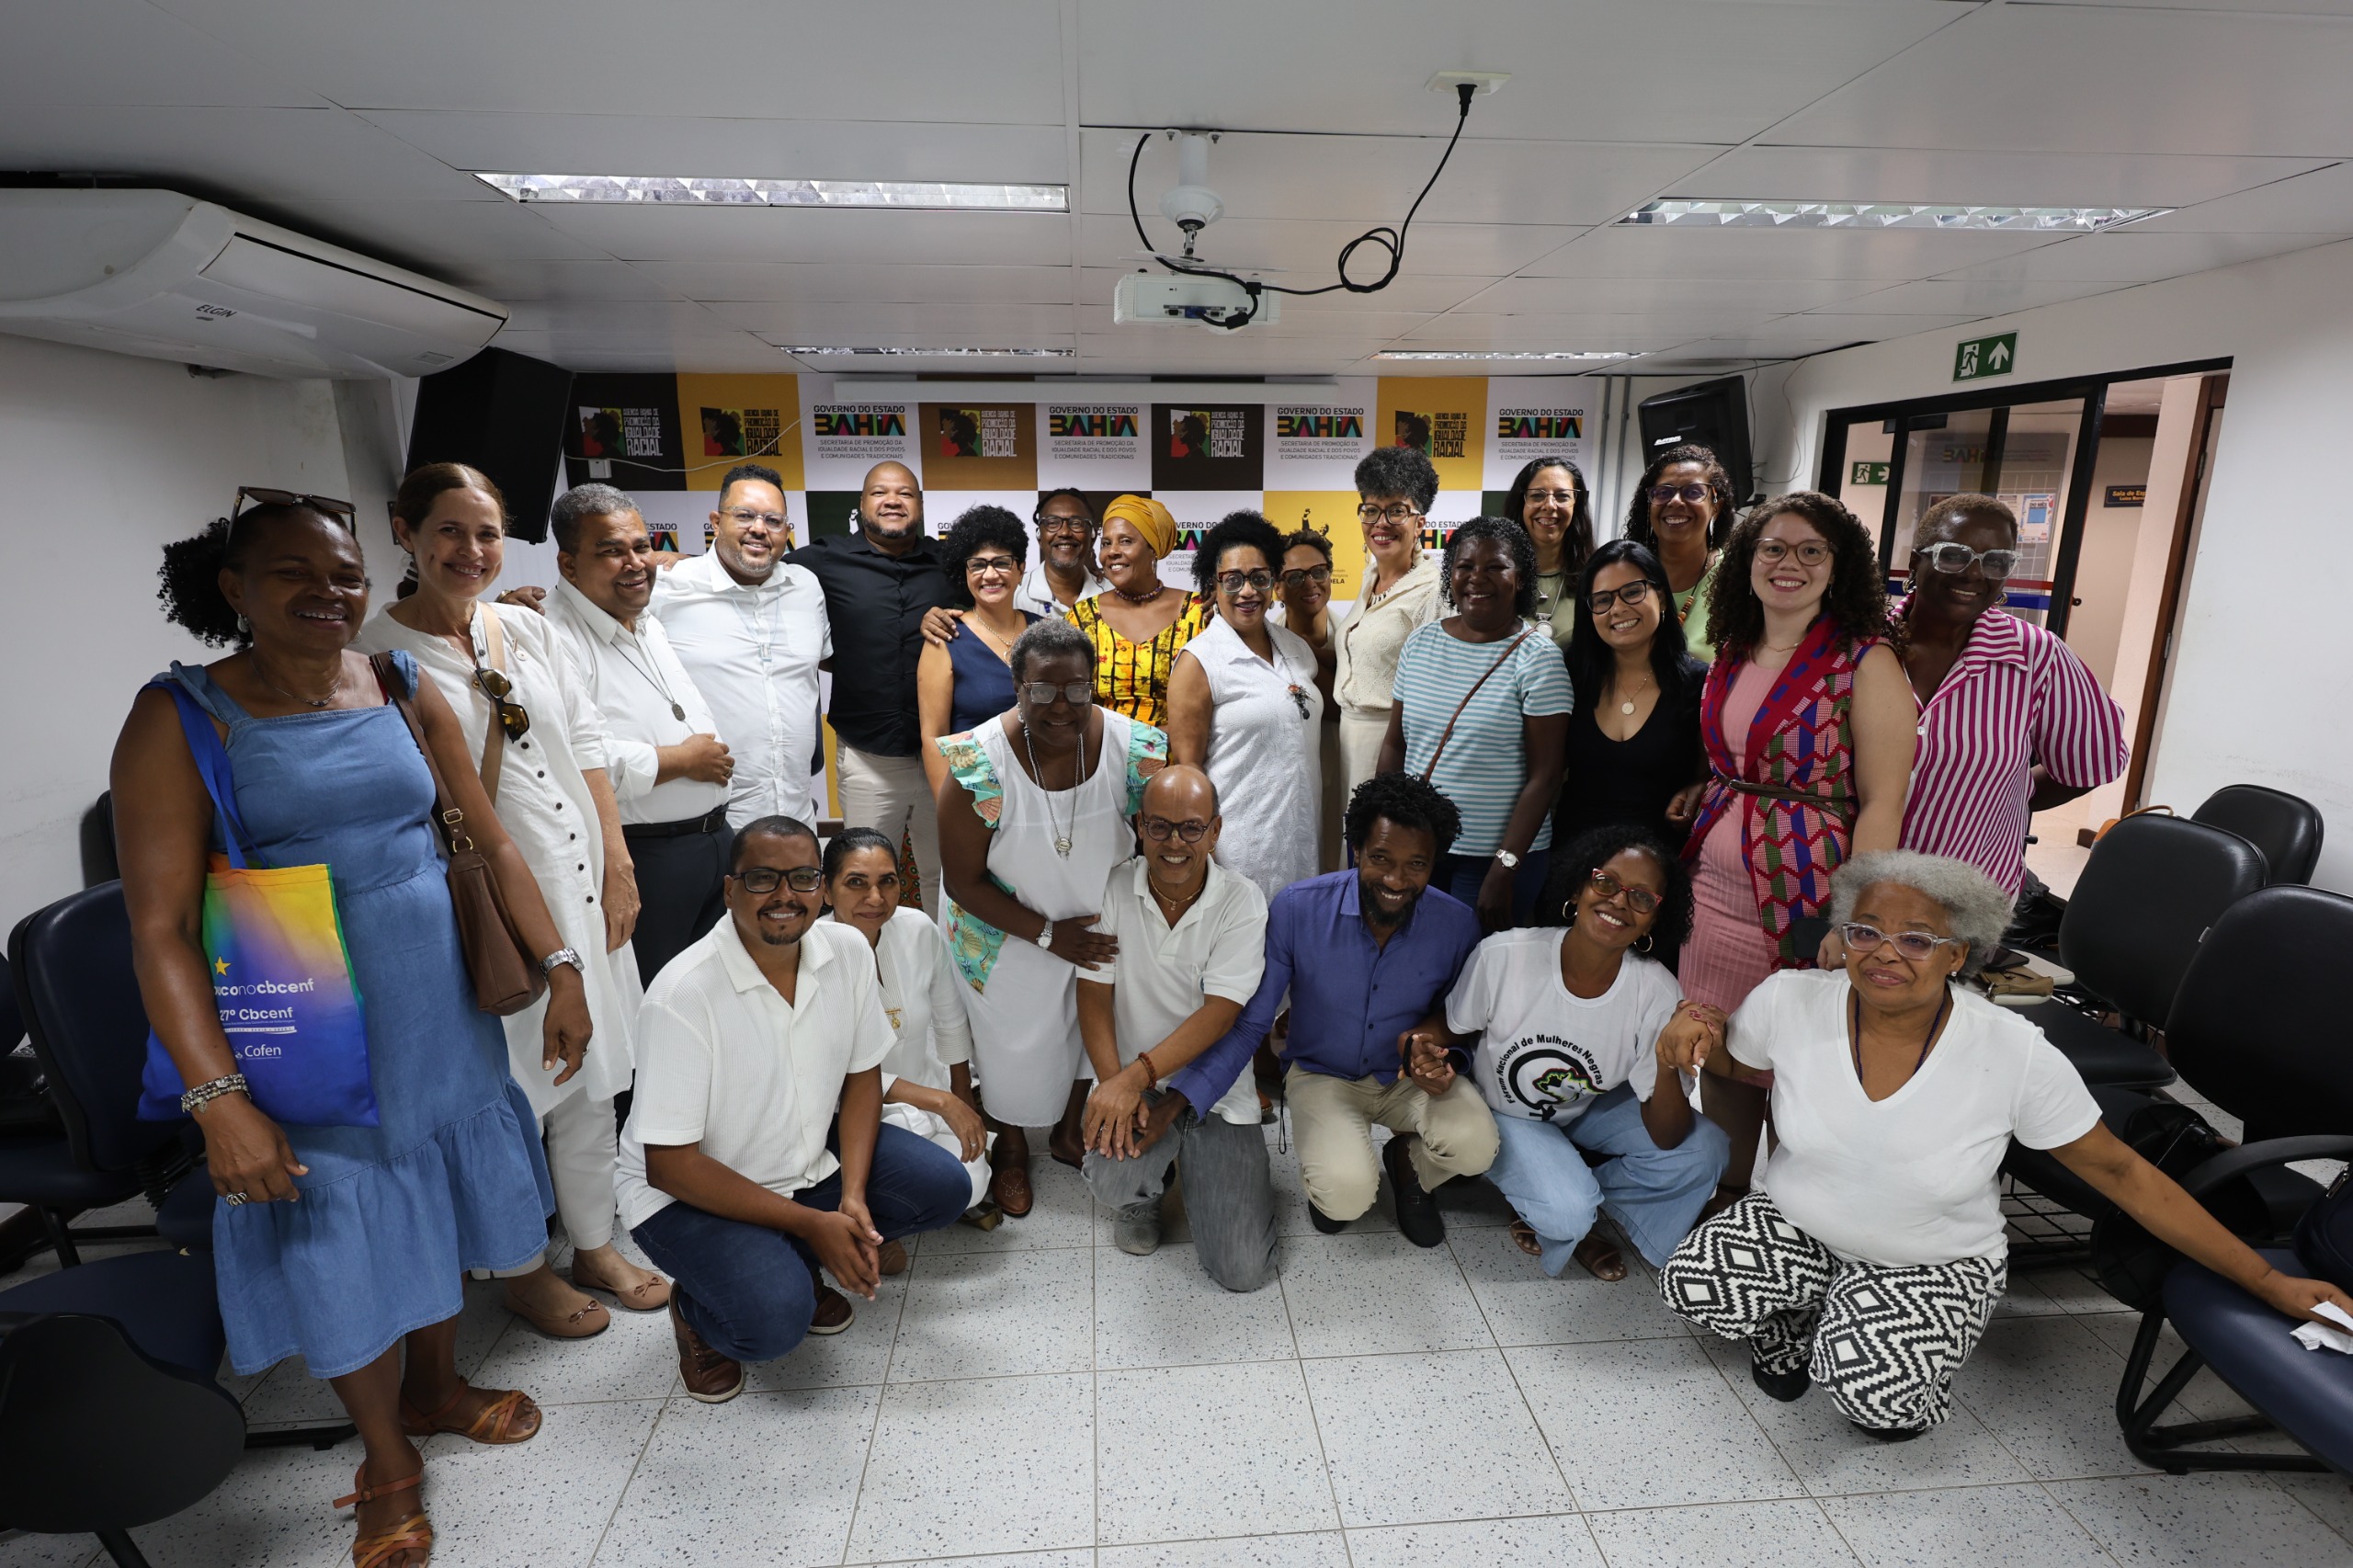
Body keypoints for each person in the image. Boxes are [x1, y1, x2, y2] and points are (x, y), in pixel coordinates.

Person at [122, 499, 583, 1568]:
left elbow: (489, 837)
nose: (329, 592)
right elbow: (159, 931)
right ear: (233, 588)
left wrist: (560, 965)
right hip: (300, 1012)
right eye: (295, 571)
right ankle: (386, 1456)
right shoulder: (182, 715)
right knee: (339, 1223)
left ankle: (435, 1385)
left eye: (345, 574)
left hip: (438, 1003)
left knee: (438, 1190)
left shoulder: (399, 681)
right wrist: (218, 1102)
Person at [1661, 849, 2353, 1437]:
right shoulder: (1790, 999)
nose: (1885, 954)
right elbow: (1734, 1064)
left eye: (1918, 939)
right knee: (1692, 1284)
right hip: (1800, 1221)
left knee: (1875, 1399)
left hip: (1930, 1261)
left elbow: (2124, 1175)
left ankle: (1869, 1324)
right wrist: (1698, 1020)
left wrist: (2269, 1281)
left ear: (1957, 954)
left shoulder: (2013, 1052)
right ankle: (1808, 1309)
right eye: (1866, 931)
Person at [356, 466, 665, 1336]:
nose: (471, 551)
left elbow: (587, 744)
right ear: (405, 532)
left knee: (591, 1078)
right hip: (482, 909)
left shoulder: (525, 628)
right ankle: (519, 1266)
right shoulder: (373, 655)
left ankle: (594, 1244)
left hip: (580, 882)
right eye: (449, 531)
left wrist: (617, 861)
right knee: (509, 1091)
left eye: (487, 533)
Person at [621, 817, 972, 1404]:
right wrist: (815, 1224)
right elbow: (670, 1166)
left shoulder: (845, 950)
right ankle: (697, 1312)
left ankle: (790, 1258)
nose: (785, 895)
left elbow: (862, 1076)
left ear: (822, 889)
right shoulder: (683, 994)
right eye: (763, 878)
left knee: (942, 1186)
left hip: (802, 1156)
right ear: (730, 889)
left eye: (803, 878)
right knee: (772, 1324)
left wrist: (851, 1197)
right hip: (691, 1193)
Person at [1678, 493, 1915, 1199]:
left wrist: (1854, 917)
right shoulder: (1734, 648)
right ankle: (1726, 1201)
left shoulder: (1865, 662)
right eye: (1774, 548)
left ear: (1838, 567)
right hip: (1713, 898)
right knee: (1724, 1053)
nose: (1791, 564)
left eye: (1812, 551)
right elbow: (1737, 759)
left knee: (1794, 1064)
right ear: (1747, 561)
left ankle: (1792, 1216)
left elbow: (1883, 800)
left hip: (1806, 897)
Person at [1175, 773, 1494, 1247]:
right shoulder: (1297, 909)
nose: (1396, 880)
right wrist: (1183, 1099)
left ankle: (1410, 1170)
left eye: (1416, 865)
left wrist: (1438, 1054)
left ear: (1433, 864)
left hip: (1405, 1078)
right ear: (1356, 850)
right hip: (1321, 1074)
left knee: (1476, 1147)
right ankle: (1335, 1178)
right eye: (1381, 858)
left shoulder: (1458, 923)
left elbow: (1460, 1021)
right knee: (1344, 1199)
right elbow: (1252, 1023)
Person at [935, 619, 1169, 1217]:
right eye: (1042, 689)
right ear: (1017, 686)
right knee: (1013, 1046)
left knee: (1092, 1033)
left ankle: (1068, 1131)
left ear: (1093, 684)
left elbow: (1153, 844)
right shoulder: (978, 763)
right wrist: (1047, 935)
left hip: (1095, 930)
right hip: (1003, 932)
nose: (1060, 705)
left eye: (1076, 688)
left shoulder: (1134, 749)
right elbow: (962, 881)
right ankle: (1013, 1146)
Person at [1436, 828, 1729, 1281]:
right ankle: (1566, 1208)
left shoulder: (1655, 988)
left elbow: (1668, 1136)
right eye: (1605, 882)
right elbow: (1451, 1030)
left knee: (1705, 1149)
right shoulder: (1504, 955)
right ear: (1578, 889)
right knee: (1568, 1214)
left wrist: (1666, 1061)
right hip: (1503, 1113)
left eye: (1642, 898)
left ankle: (1567, 1194)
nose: (1619, 902)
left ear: (1654, 920)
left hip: (1585, 1106)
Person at [1076, 767, 1277, 1289]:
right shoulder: (1113, 887)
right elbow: (1093, 995)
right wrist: (1115, 1086)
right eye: (1159, 826)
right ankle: (1145, 1194)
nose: (1174, 843)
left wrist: (1134, 1078)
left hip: (1215, 1089)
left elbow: (1220, 1014)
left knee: (1242, 1271)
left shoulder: (1242, 901)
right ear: (1139, 826)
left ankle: (1212, 1167)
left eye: (1191, 828)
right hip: (1135, 1084)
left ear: (1215, 831)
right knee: (1113, 1180)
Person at [542, 483, 734, 987]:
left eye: (641, 546)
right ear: (568, 565)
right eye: (611, 551)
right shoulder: (550, 635)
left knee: (717, 1004)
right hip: (643, 858)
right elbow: (576, 760)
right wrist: (684, 760)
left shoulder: (643, 616)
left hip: (712, 844)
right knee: (656, 1007)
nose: (634, 563)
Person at [1895, 494, 2128, 895]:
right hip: (1842, 884)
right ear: (1917, 562)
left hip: (1968, 896)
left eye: (1996, 562)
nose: (1974, 573)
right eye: (1954, 555)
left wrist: (2005, 799)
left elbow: (2092, 761)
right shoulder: (1860, 645)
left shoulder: (2037, 656)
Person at [1378, 516, 1573, 932]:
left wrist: (1505, 867)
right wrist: (1383, 826)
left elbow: (1546, 776)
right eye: (1464, 566)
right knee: (1418, 960)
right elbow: (1396, 744)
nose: (1476, 578)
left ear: (1520, 578)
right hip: (1419, 849)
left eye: (1495, 567)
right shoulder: (1420, 643)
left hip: (1494, 860)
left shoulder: (1539, 659)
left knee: (1476, 965)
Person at [820, 828, 993, 1259]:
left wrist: (960, 1098)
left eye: (887, 881)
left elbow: (950, 1019)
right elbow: (837, 1073)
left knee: (972, 1182)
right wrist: (941, 1103)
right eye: (856, 882)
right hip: (847, 1114)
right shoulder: (812, 955)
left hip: (926, 1090)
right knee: (940, 1183)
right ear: (825, 890)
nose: (875, 898)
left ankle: (888, 1207)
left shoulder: (916, 928)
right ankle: (869, 1226)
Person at [790, 460, 956, 909]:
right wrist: (685, 561)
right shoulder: (824, 559)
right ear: (861, 504)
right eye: (880, 492)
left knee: (947, 878)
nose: (893, 501)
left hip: (944, 756)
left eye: (905, 493)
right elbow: (755, 570)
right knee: (866, 882)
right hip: (869, 758)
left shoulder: (950, 564)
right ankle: (862, 955)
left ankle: (942, 955)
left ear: (920, 504)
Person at [651, 463, 830, 826]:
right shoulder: (667, 586)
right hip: (711, 821)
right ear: (716, 522)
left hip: (797, 813)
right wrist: (530, 601)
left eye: (773, 520)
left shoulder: (806, 587)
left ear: (787, 531)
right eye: (744, 515)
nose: (759, 528)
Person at [1166, 510, 1324, 903]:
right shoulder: (1199, 662)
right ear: (1213, 584)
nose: (1248, 591)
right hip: (1237, 850)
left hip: (1301, 838)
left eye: (1259, 578)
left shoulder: (1296, 649)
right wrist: (1200, 853)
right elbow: (1188, 773)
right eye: (1233, 580)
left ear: (1274, 581)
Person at [1557, 540, 1710, 851]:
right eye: (1602, 600)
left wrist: (1698, 789)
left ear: (1662, 597)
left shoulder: (1700, 683)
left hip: (1659, 860)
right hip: (1572, 857)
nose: (1617, 609)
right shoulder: (1568, 674)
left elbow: (1707, 777)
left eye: (1632, 592)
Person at [1332, 446, 1443, 795]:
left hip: (1393, 746)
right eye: (1371, 510)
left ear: (1419, 523)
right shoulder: (1370, 576)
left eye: (1396, 511)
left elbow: (1437, 694)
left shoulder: (1434, 591)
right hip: (1346, 740)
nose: (1381, 523)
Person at [919, 506, 1040, 805]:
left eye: (1001, 563)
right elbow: (933, 739)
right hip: (976, 796)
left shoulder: (1045, 633)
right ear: (965, 573)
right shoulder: (945, 639)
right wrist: (949, 811)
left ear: (1020, 569)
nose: (990, 574)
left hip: (1044, 787)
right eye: (977, 565)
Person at [1064, 494, 1212, 727]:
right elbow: (1066, 698)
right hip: (1103, 745)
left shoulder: (1198, 612)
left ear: (1153, 549)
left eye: (1125, 541)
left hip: (1180, 745)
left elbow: (1218, 697)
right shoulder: (1082, 617)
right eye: (1106, 543)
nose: (1112, 552)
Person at [1274, 526, 1346, 875]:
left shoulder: (1356, 638)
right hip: (1282, 787)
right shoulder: (1259, 648)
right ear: (1276, 587)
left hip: (1344, 775)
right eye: (1295, 576)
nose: (1310, 584)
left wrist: (1313, 655)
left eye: (1319, 572)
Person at [1624, 443, 1736, 660]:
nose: (1675, 501)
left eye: (1693, 492)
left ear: (1716, 506)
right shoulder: (1623, 574)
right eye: (1663, 492)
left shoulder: (1737, 578)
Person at [1505, 455, 1597, 648]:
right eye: (1537, 495)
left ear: (1576, 505)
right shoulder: (1496, 575)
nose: (1549, 505)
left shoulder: (1596, 579)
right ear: (1521, 503)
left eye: (1562, 496)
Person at [1015, 488, 1112, 615]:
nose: (1065, 532)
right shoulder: (1014, 595)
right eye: (1052, 523)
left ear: (1092, 537)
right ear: (1039, 537)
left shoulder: (1112, 593)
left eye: (1076, 523)